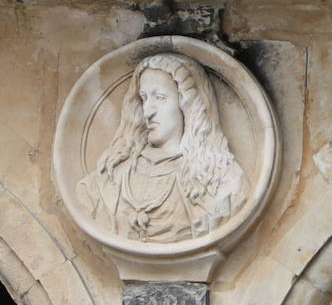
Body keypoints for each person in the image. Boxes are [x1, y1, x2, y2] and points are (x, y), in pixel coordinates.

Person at [78, 52, 244, 243]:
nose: (148, 111)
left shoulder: (223, 181)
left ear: (187, 104)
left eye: (160, 98)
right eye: (143, 98)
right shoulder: (106, 181)